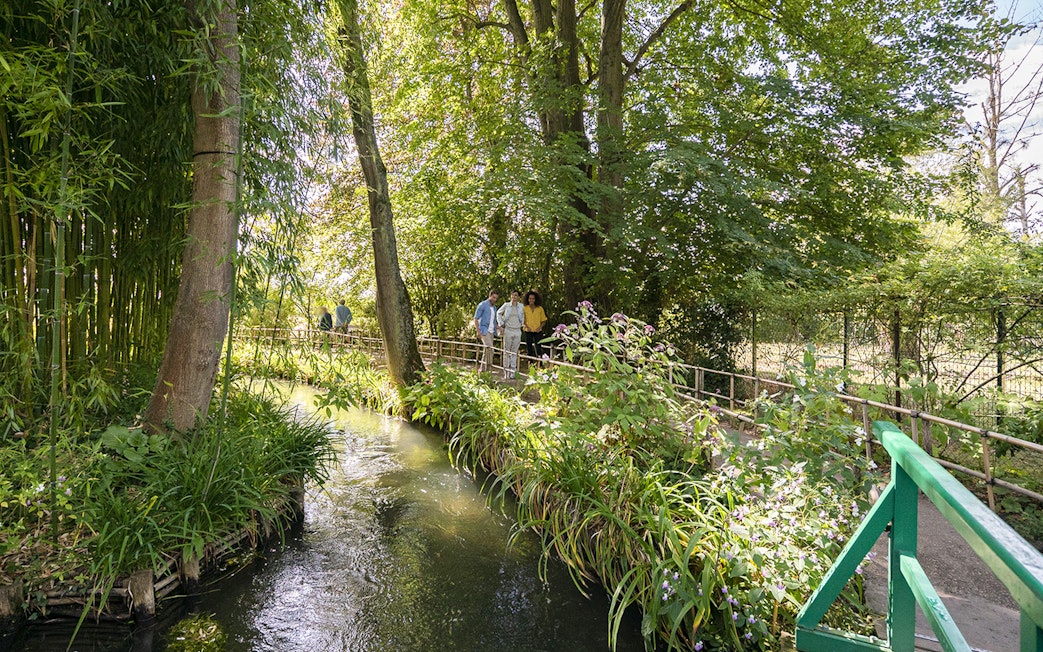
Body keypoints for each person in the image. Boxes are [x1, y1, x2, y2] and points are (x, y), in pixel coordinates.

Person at [497, 290, 525, 379]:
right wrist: (501, 323)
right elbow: (498, 313)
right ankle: (506, 372)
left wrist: (523, 323)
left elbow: (524, 316)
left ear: (518, 297)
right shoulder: (506, 305)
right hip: (508, 330)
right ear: (510, 296)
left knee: (514, 352)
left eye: (516, 295)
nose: (514, 297)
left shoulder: (521, 306)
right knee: (506, 351)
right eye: (512, 295)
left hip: (517, 330)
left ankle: (512, 371)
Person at [473, 290, 499, 373]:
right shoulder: (482, 305)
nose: (494, 299)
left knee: (486, 351)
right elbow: (476, 318)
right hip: (484, 330)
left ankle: (482, 370)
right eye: (493, 297)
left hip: (492, 331)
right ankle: (488, 369)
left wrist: (499, 328)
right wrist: (478, 331)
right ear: (490, 296)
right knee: (490, 349)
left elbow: (493, 321)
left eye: (496, 298)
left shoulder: (494, 308)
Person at [522, 290, 547, 365]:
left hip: (537, 331)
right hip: (528, 331)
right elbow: (522, 320)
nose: (531, 300)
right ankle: (530, 364)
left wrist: (540, 327)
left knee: (538, 347)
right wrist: (526, 326)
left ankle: (540, 363)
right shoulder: (524, 308)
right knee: (529, 348)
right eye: (530, 298)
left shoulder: (540, 309)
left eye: (533, 299)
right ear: (527, 299)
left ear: (535, 299)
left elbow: (544, 320)